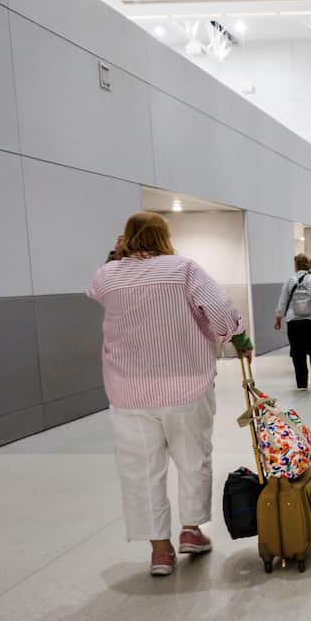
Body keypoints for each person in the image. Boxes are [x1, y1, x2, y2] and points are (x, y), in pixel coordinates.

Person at [88, 211, 253, 577]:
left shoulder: (108, 276)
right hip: (186, 386)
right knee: (193, 458)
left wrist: (116, 256)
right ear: (165, 236)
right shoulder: (183, 270)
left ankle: (160, 551)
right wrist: (238, 338)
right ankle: (191, 531)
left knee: (140, 470)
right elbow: (220, 312)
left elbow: (96, 288)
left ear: (126, 237)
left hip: (128, 391)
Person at [274, 252, 311, 392]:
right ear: (309, 265)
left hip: (294, 322)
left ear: (296, 265)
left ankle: (301, 384)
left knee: (297, 353)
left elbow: (282, 302)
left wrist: (278, 318)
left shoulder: (290, 280)